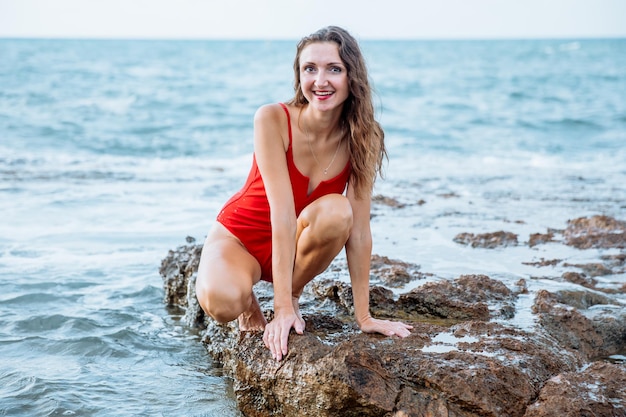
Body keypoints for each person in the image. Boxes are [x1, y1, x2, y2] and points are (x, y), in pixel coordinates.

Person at [195, 26, 412, 361]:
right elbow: (281, 212)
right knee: (221, 300)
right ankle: (253, 305)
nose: (320, 81)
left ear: (352, 76)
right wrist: (278, 310)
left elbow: (358, 232)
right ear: (299, 75)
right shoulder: (272, 118)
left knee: (340, 212)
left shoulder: (365, 137)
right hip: (241, 238)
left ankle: (293, 291)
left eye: (334, 69)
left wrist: (364, 317)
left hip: (297, 244)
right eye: (310, 68)